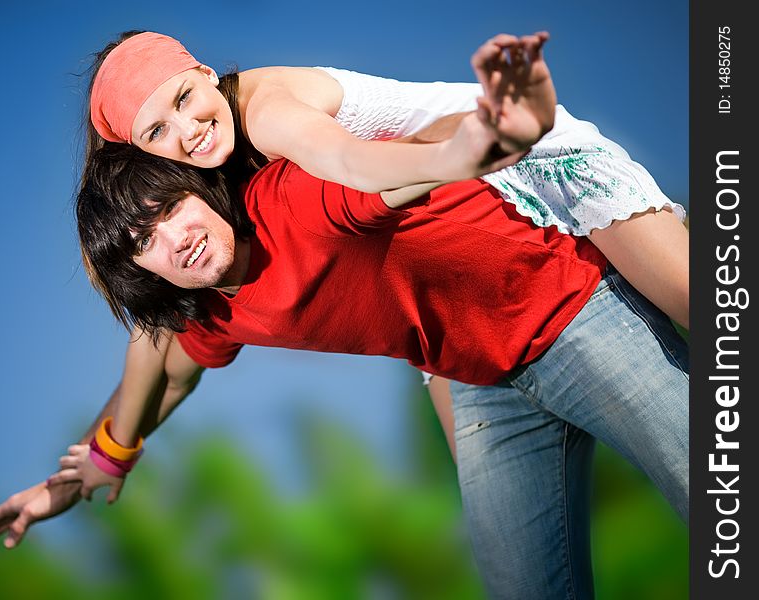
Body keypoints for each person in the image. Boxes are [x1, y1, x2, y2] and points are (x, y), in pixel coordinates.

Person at [0, 133, 688, 599]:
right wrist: (98, 462)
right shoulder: (216, 306)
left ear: (201, 192)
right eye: (144, 242)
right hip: (482, 381)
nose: (174, 240)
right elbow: (170, 376)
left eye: (168, 209)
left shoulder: (297, 200)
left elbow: (399, 171)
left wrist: (487, 132)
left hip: (573, 306)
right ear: (142, 274)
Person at [78, 29, 689, 462]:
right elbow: (155, 334)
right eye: (157, 130)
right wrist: (108, 455)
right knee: (488, 477)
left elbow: (352, 163)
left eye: (185, 99)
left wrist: (476, 144)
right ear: (141, 156)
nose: (187, 130)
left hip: (518, 151)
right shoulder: (199, 197)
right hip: (450, 227)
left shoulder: (263, 112)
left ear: (206, 75)